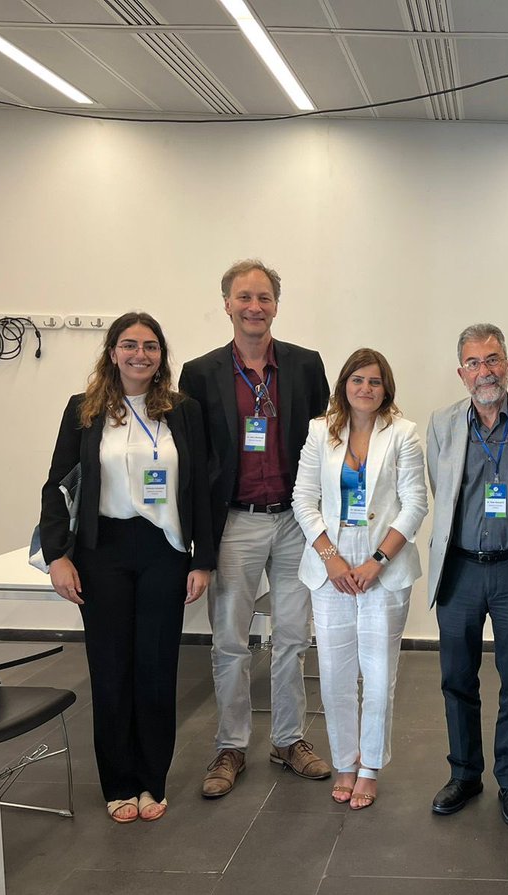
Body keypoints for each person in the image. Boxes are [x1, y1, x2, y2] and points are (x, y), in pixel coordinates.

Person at [40, 312, 215, 823]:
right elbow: (57, 485)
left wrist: (201, 559)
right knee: (111, 669)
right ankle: (117, 781)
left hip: (164, 549)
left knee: (158, 668)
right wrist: (58, 556)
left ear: (162, 356)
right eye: (130, 344)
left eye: (151, 346)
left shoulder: (182, 411)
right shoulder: (84, 410)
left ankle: (151, 780)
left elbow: (200, 487)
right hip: (103, 550)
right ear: (112, 352)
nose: (141, 354)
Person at [179, 259, 332, 798]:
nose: (254, 307)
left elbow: (325, 446)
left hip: (293, 520)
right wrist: (198, 537)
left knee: (292, 635)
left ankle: (290, 739)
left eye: (264, 297)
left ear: (275, 305)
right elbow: (193, 460)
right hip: (234, 521)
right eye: (244, 297)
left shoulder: (306, 366)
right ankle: (231, 745)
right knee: (229, 640)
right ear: (227, 304)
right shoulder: (199, 374)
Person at [424, 323, 508, 827]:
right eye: (475, 363)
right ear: (462, 373)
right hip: (459, 569)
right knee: (457, 678)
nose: (485, 371)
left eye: (493, 359)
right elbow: (442, 488)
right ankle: (465, 773)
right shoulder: (441, 424)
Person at [291, 348, 428, 810]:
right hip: (331, 568)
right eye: (357, 380)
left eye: (374, 381)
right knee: (333, 674)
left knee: (378, 672)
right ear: (343, 385)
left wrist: (377, 561)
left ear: (386, 387)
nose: (365, 389)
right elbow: (303, 499)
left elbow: (415, 504)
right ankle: (345, 762)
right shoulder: (318, 432)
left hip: (382, 572)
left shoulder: (404, 434)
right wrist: (330, 558)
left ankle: (369, 767)